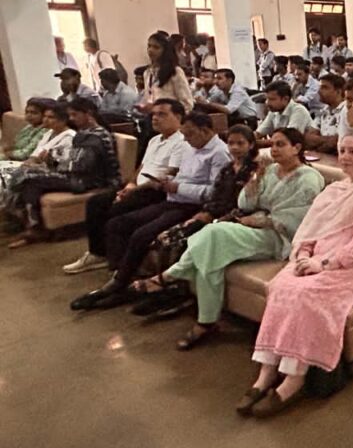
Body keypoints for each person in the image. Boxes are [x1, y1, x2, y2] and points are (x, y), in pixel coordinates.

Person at [237, 133, 353, 417]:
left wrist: (325, 263)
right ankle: (266, 372)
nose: (345, 156)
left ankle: (294, 378)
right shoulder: (335, 189)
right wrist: (303, 254)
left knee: (306, 294)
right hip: (317, 258)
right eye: (342, 151)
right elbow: (311, 228)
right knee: (280, 286)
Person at [149, 129, 325, 350]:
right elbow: (245, 204)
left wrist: (259, 219)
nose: (274, 149)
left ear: (297, 148)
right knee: (211, 251)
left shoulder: (308, 178)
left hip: (280, 237)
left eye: (281, 144)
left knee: (215, 233)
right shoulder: (270, 170)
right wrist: (254, 182)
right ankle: (206, 321)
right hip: (254, 228)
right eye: (272, 144)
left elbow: (296, 219)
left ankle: (173, 274)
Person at [68, 111, 231, 310]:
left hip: (191, 206)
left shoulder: (219, 154)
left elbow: (214, 193)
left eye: (189, 134)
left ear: (204, 131)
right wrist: (168, 182)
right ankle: (121, 276)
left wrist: (178, 187)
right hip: (173, 199)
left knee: (142, 234)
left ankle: (121, 284)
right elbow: (182, 175)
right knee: (117, 223)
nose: (186, 139)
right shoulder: (191, 147)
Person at [63, 99, 187, 276]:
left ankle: (120, 264)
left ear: (178, 117)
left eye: (162, 114)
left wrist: (133, 190)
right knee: (95, 203)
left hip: (155, 190)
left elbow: (169, 175)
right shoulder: (154, 140)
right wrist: (130, 184)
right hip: (138, 187)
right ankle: (97, 253)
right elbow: (142, 167)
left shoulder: (181, 142)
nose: (155, 118)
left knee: (116, 210)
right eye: (153, 114)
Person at [5, 98, 121, 247]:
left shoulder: (97, 136)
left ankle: (22, 219)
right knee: (29, 181)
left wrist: (53, 160)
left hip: (91, 181)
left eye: (74, 115)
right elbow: (72, 159)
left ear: (88, 114)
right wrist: (54, 160)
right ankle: (33, 226)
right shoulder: (85, 133)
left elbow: (82, 165)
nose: (71, 119)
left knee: (27, 176)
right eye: (70, 115)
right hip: (78, 175)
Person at [138, 32, 194, 112]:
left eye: (156, 47)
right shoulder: (147, 73)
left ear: (165, 50)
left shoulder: (175, 72)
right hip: (154, 117)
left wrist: (171, 113)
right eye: (149, 46)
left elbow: (187, 104)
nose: (151, 50)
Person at [255, 81, 313, 146]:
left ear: (285, 99)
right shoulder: (274, 111)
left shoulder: (299, 111)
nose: (267, 103)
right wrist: (249, 140)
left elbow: (287, 139)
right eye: (267, 99)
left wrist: (254, 143)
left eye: (272, 99)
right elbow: (259, 133)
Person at [302, 73, 346, 153]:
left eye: (324, 87)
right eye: (320, 87)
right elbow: (308, 138)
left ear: (338, 92)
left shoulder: (346, 111)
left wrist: (319, 141)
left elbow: (339, 141)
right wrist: (327, 140)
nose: (319, 91)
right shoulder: (323, 110)